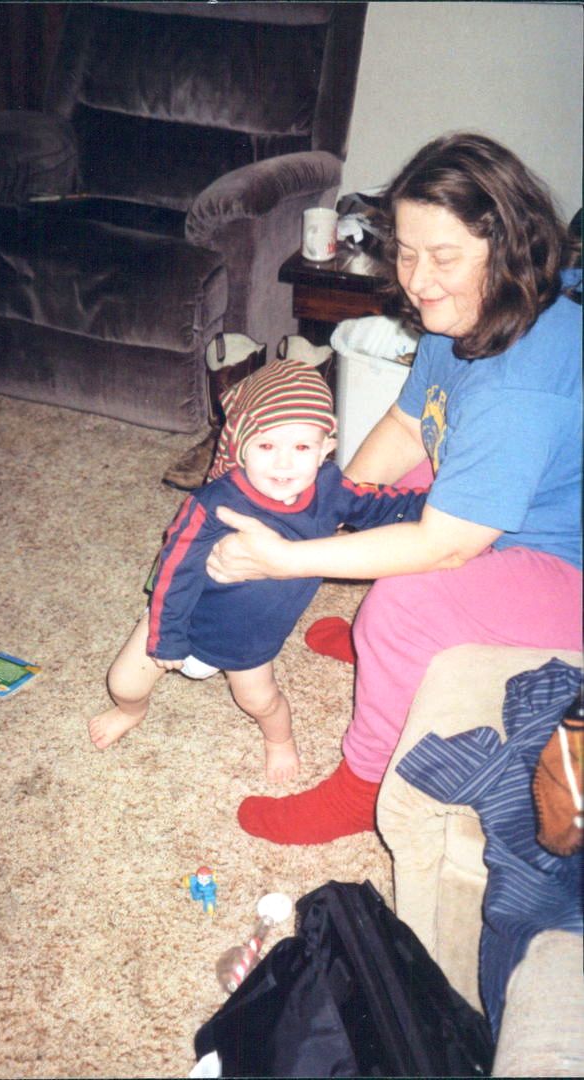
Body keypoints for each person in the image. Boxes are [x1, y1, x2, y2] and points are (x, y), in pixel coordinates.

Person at [204, 132, 583, 844]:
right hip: (522, 503)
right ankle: (396, 658)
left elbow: (443, 547)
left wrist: (288, 557)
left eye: (443, 256)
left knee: (403, 607)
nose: (418, 279)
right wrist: (322, 504)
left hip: (569, 574)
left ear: (508, 248)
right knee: (400, 491)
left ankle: (365, 785)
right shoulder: (462, 310)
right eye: (406, 252)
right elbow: (412, 425)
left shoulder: (519, 387)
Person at [88, 359, 427, 781]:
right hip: (184, 619)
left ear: (326, 447)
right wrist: (167, 636)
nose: (284, 464)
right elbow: (175, 573)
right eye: (267, 446)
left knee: (261, 702)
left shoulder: (332, 489)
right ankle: (129, 712)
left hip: (248, 640)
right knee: (123, 683)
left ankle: (279, 740)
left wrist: (440, 506)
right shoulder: (214, 502)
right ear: (241, 446)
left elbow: (386, 504)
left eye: (301, 448)